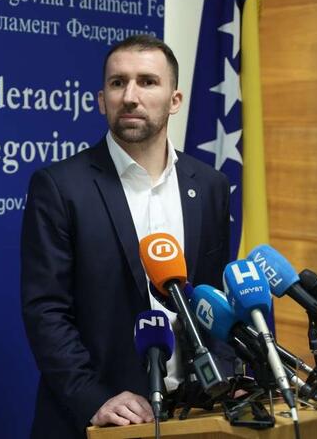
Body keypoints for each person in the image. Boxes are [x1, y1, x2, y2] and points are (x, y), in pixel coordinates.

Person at [21, 34, 234, 439]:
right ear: (102, 100)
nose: (131, 96)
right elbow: (46, 310)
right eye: (118, 83)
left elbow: (215, 297)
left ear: (174, 100)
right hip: (100, 419)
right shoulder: (60, 186)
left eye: (147, 82)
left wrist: (225, 373)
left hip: (195, 413)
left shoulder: (210, 186)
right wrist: (94, 398)